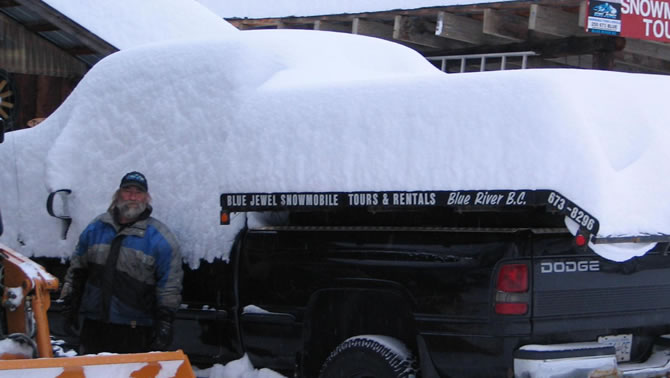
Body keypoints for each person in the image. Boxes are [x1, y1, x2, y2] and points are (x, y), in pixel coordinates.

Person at [60, 171, 183, 354]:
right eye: (127, 190)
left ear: (146, 198)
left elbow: (170, 285)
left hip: (135, 330)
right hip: (94, 326)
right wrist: (69, 305)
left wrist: (165, 322)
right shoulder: (96, 228)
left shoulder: (160, 238)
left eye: (138, 192)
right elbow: (77, 270)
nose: (133, 196)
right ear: (118, 194)